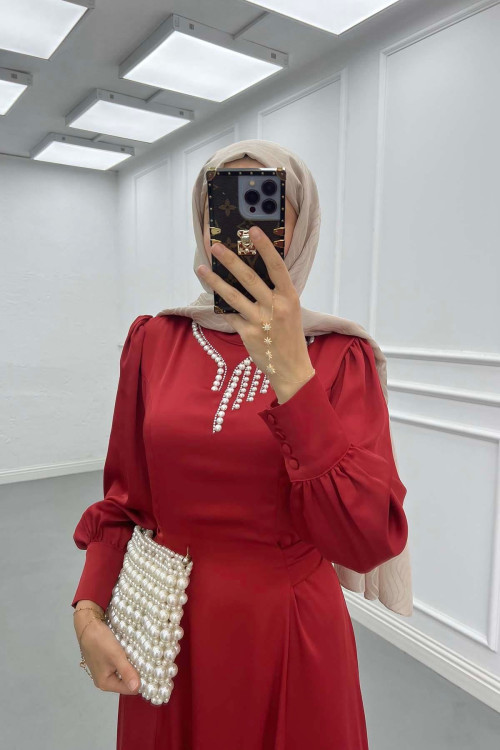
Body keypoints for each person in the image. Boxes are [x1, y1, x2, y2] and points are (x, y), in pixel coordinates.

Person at [72, 139, 411, 750]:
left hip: (289, 636)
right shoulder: (155, 342)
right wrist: (89, 609)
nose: (243, 232)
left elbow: (364, 540)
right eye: (223, 208)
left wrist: (294, 378)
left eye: (265, 206)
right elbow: (126, 501)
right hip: (169, 631)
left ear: (300, 228)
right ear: (202, 224)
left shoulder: (341, 356)